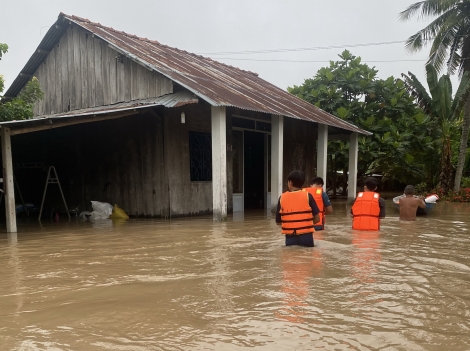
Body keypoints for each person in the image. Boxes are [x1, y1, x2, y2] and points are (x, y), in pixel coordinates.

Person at [276, 170, 320, 247]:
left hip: (290, 237)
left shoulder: (282, 198)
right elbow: (317, 219)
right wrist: (305, 225)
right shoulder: (308, 196)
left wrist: (292, 225)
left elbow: (278, 222)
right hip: (307, 236)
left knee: (292, 257)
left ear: (290, 182)